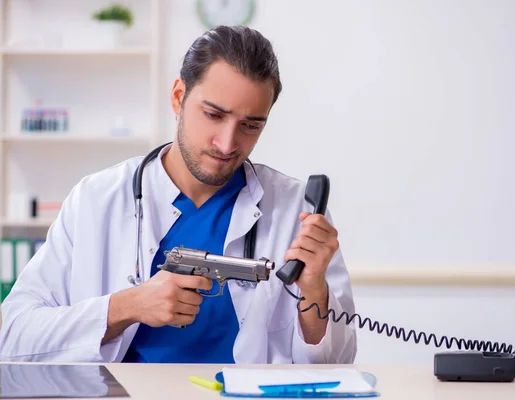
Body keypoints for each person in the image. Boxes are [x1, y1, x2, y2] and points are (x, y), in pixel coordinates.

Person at [0, 26, 357, 364]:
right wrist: (126, 307)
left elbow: (335, 363)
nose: (228, 143)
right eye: (214, 115)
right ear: (178, 97)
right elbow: (13, 336)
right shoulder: (97, 199)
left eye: (251, 125)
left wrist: (313, 289)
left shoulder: (296, 210)